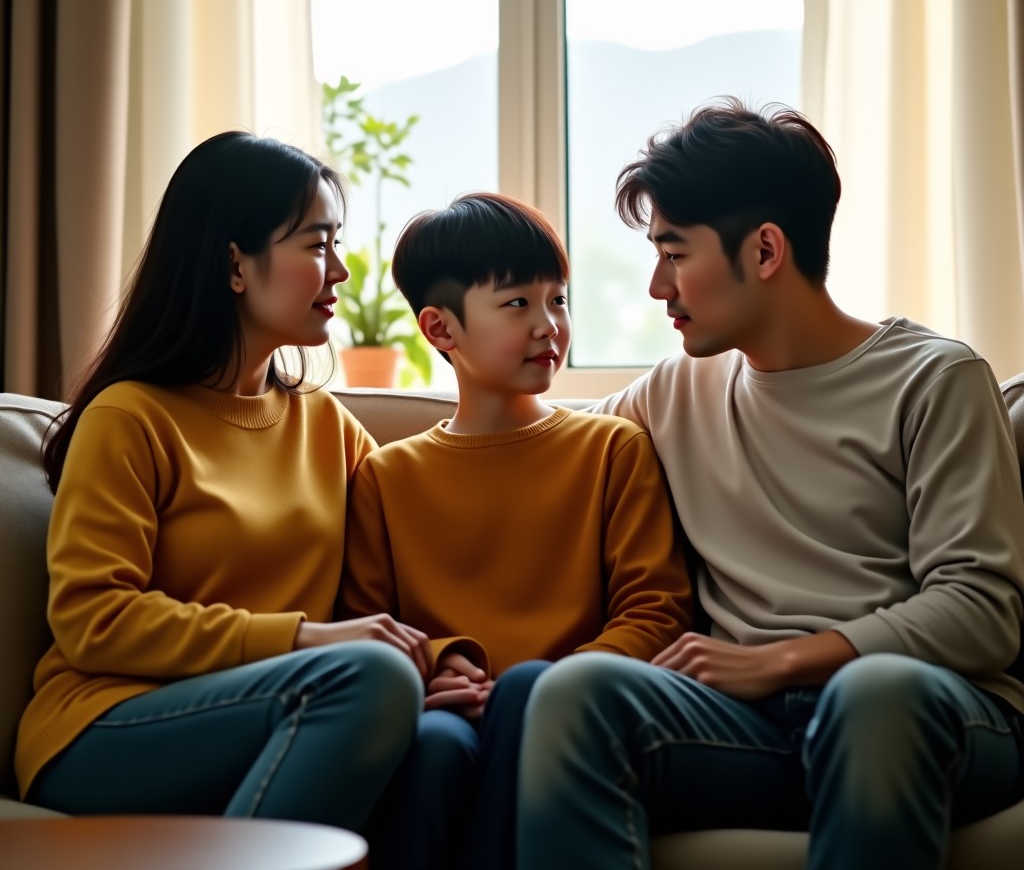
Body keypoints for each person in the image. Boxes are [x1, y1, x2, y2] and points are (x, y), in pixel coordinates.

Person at [516, 99, 1024, 870]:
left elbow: (982, 610)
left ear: (764, 251)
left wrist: (783, 659)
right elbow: (537, 450)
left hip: (929, 715)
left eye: (676, 253)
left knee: (875, 697)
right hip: (748, 729)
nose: (657, 287)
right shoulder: (674, 391)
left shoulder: (935, 380)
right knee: (575, 694)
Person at [15, 131, 431, 832]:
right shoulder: (131, 417)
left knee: (442, 744)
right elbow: (94, 620)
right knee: (371, 681)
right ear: (237, 263)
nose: (341, 271)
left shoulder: (327, 429)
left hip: (274, 706)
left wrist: (444, 661)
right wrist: (303, 639)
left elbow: (391, 588)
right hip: (104, 728)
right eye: (316, 243)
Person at [338, 192, 692, 869]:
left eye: (557, 300)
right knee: (436, 746)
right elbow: (365, 623)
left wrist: (555, 684)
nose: (548, 326)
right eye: (516, 305)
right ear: (441, 330)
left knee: (528, 693)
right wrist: (441, 663)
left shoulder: (613, 449)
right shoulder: (387, 478)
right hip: (451, 712)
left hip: (570, 707)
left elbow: (657, 609)